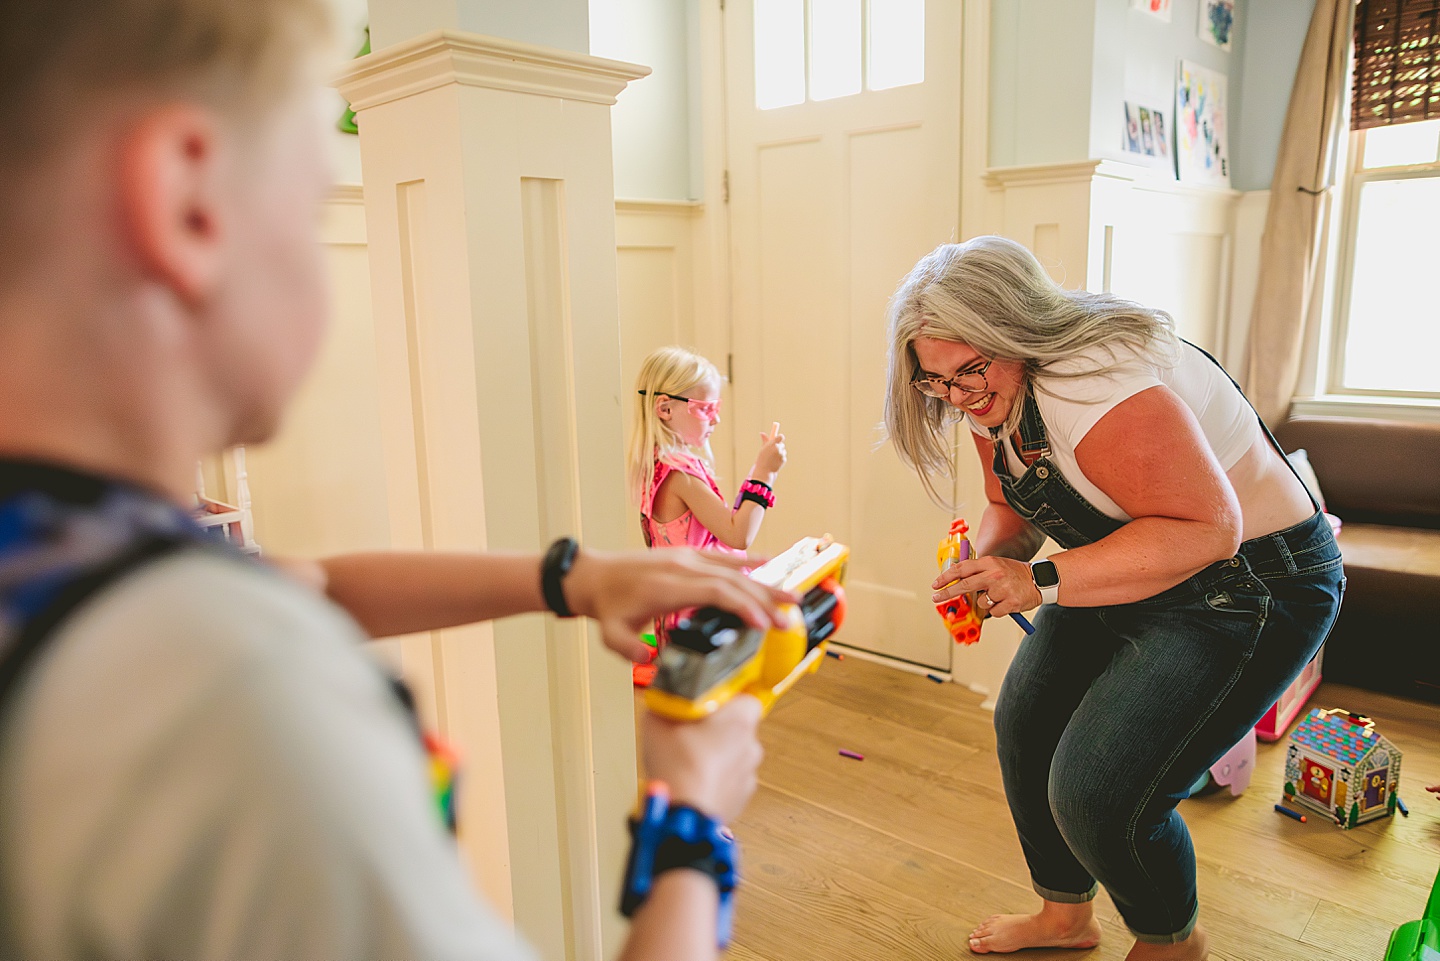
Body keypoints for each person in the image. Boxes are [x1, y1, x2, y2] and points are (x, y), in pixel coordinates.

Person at [0, 2, 786, 959]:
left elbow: (311, 583)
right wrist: (693, 823)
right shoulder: (232, 691)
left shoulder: (75, 560)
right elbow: (263, 621)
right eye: (309, 196)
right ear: (186, 202)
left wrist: (571, 577)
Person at [883, 237, 1344, 961]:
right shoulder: (982, 387)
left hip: (1252, 580)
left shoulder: (1092, 382)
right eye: (935, 380)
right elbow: (1012, 500)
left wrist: (1035, 582)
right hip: (1149, 554)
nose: (959, 396)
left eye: (970, 370)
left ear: (1020, 331)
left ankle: (1173, 940)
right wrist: (990, 561)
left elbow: (1210, 528)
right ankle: (1065, 915)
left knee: (1102, 792)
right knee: (1027, 723)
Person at [627, 346, 786, 684]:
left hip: (681, 613)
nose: (715, 418)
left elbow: (721, 522)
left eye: (717, 407)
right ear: (665, 408)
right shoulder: (680, 475)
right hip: (700, 620)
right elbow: (737, 533)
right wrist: (765, 472)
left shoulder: (658, 468)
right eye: (706, 408)